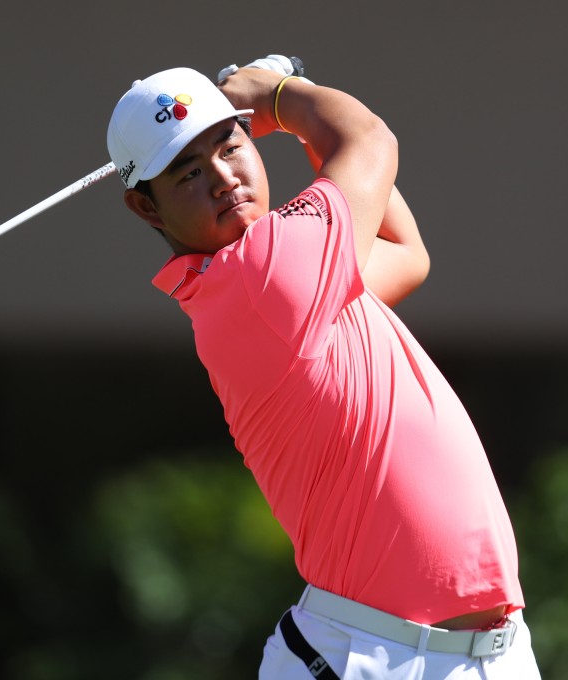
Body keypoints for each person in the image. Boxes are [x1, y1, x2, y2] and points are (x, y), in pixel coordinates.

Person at [106, 57, 541, 679]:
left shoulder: (288, 276)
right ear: (147, 210)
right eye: (188, 173)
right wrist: (281, 98)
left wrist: (301, 121)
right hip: (367, 658)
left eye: (231, 146)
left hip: (481, 657)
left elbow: (404, 253)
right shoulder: (264, 273)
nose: (224, 177)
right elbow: (370, 140)